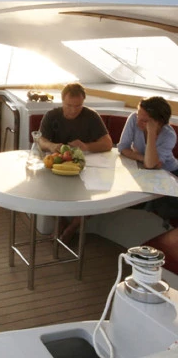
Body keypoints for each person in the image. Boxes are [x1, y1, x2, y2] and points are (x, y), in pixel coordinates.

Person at [38, 83, 113, 242]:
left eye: (78, 106)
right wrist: (51, 146)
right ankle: (60, 224)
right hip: (57, 166)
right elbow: (41, 140)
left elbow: (107, 143)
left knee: (97, 197)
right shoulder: (52, 115)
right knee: (45, 191)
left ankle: (72, 227)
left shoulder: (91, 116)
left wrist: (86, 146)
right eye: (69, 105)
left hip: (85, 167)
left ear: (83, 102)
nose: (73, 110)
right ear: (62, 101)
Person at [118, 96, 178, 220]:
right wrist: (143, 158)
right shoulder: (134, 119)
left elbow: (150, 165)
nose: (138, 122)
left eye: (144, 120)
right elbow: (123, 147)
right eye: (138, 116)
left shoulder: (169, 135)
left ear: (159, 122)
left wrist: (151, 132)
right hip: (146, 170)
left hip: (170, 172)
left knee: (167, 208)